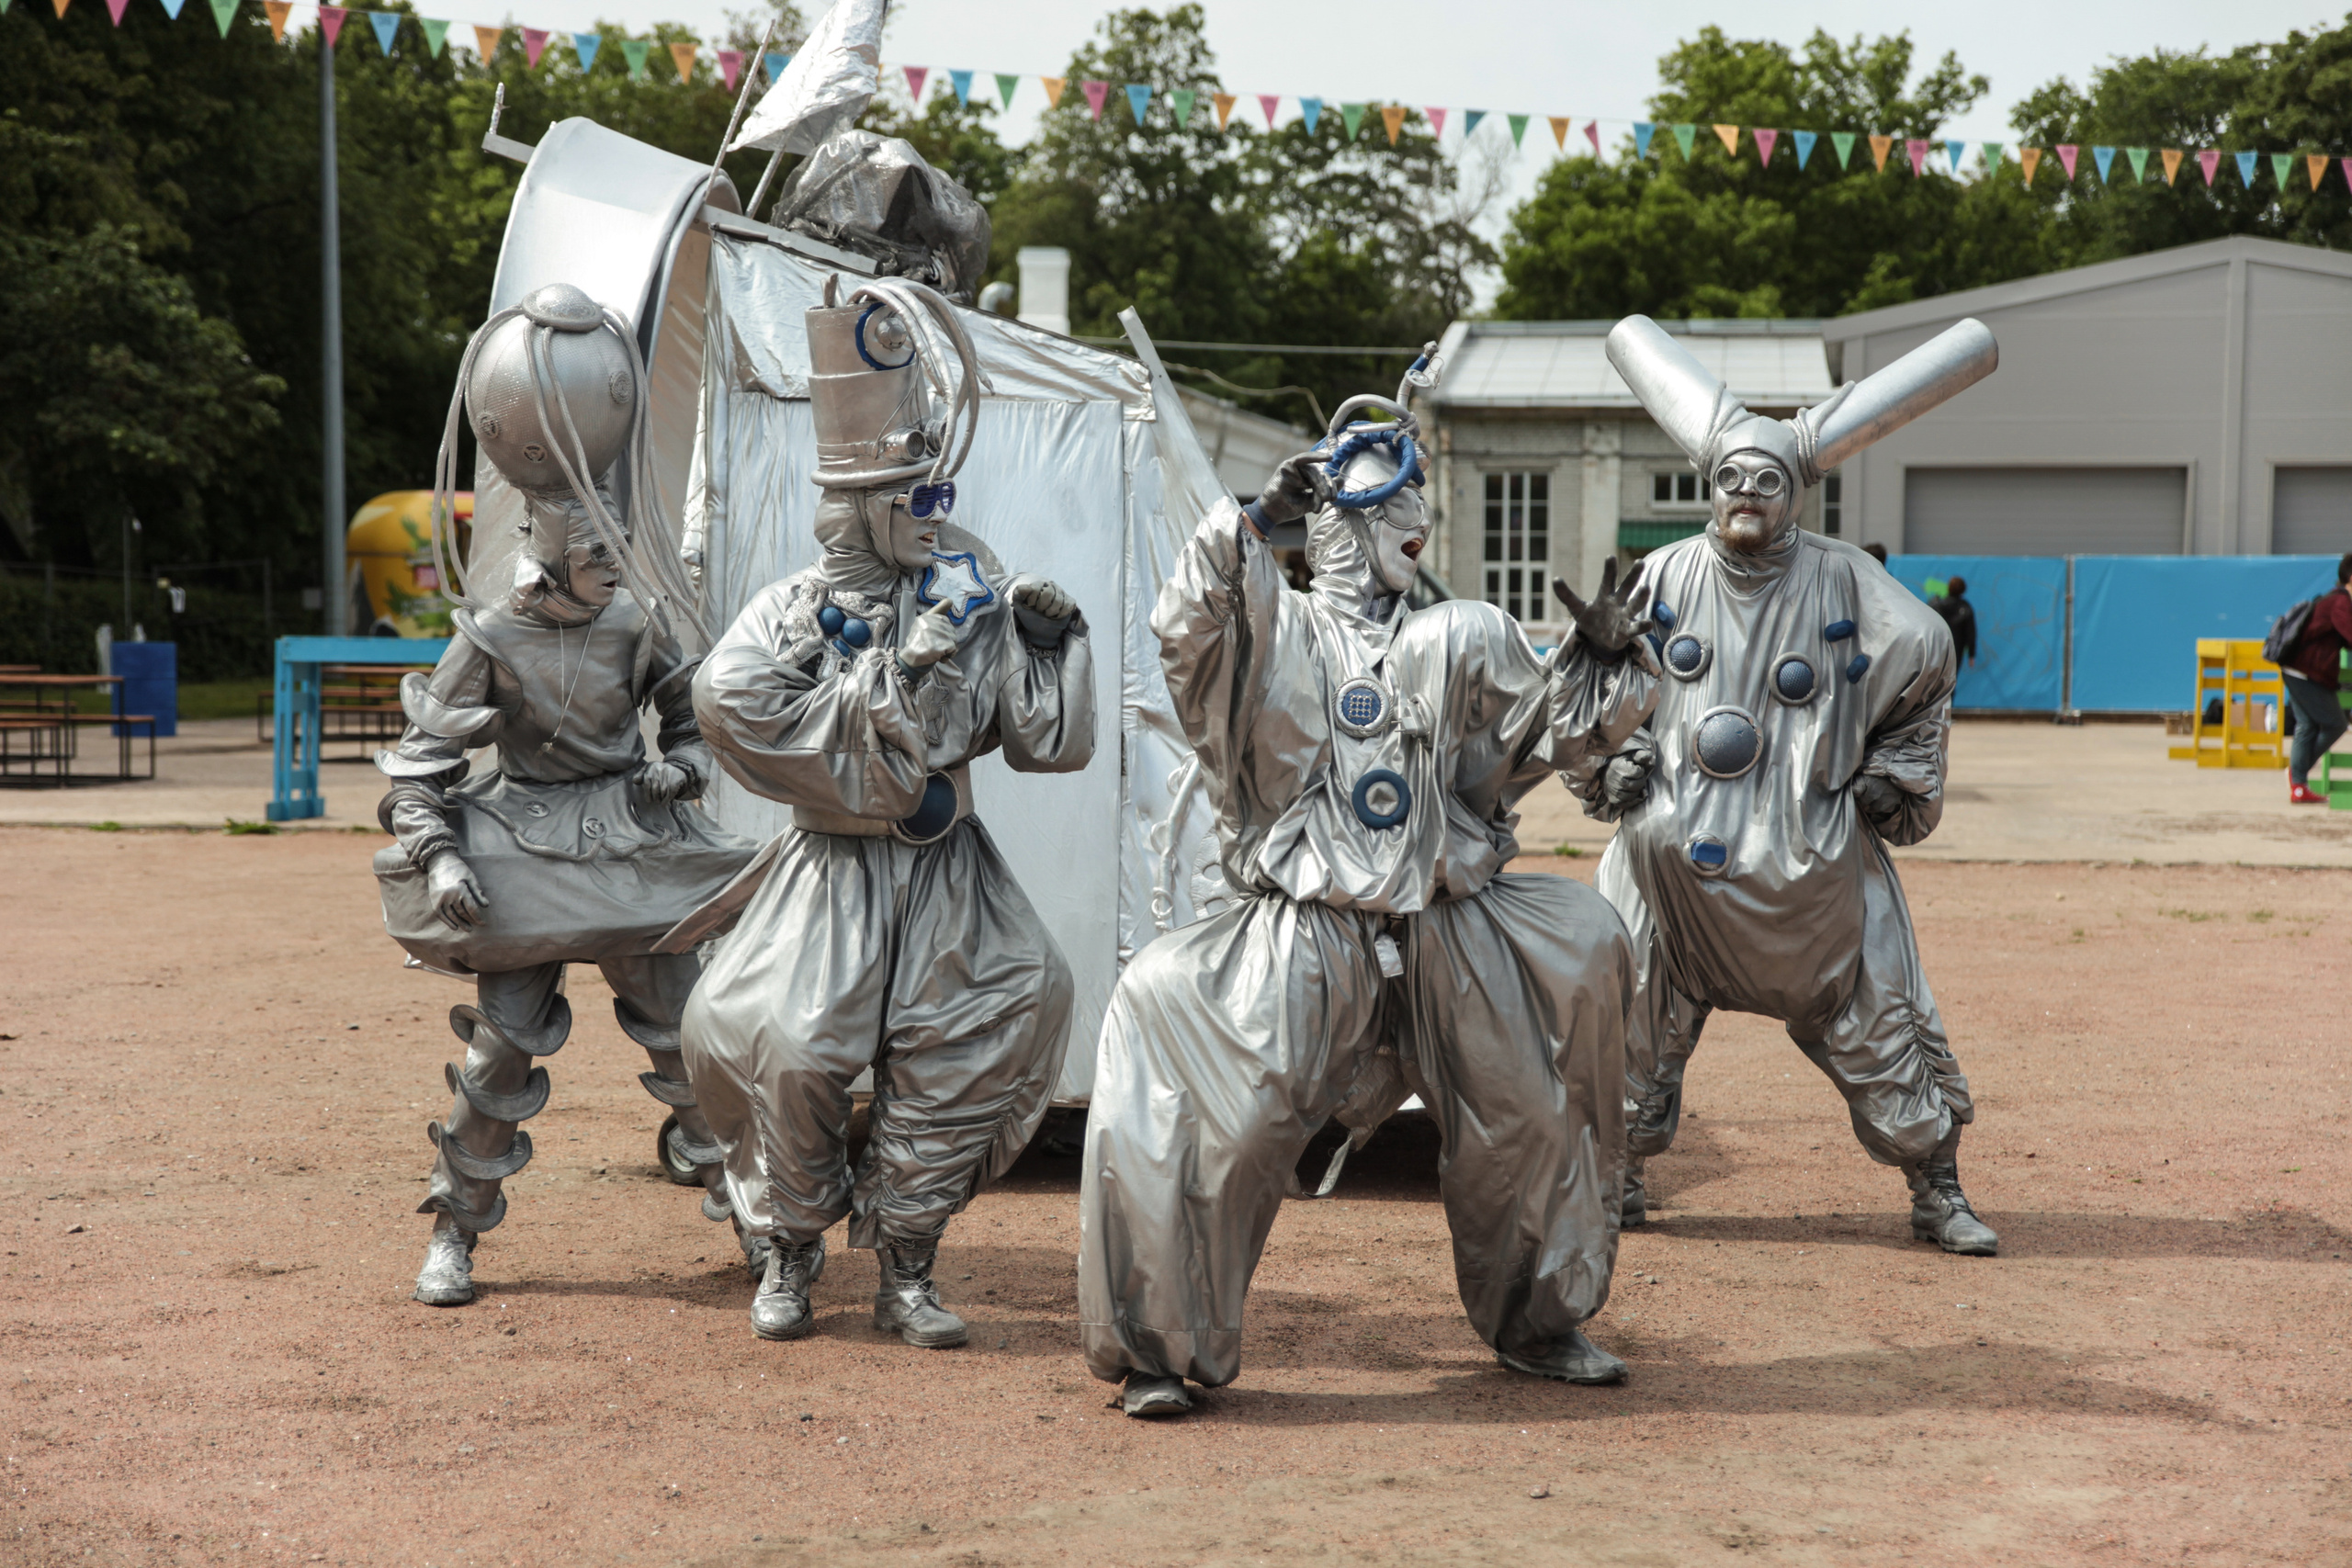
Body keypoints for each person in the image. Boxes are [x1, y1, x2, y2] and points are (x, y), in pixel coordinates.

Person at [1079, 364, 1657, 1419]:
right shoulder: (1275, 632)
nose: (1413, 526)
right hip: (1303, 927)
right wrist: (1256, 517)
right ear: (1338, 524)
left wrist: (1604, 669)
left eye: (1418, 512)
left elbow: (1541, 745)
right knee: (1238, 1121)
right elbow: (1185, 634)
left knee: (1525, 1110)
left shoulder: (1462, 635)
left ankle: (1539, 1322)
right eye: (1390, 507)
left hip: (1452, 923)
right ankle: (1165, 1347)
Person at [675, 277, 1095, 1348]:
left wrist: (1042, 646)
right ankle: (789, 1248)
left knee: (998, 1011)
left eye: (940, 492)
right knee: (797, 1046)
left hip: (952, 870)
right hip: (833, 875)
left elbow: (1043, 742)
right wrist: (895, 670)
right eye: (915, 497)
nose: (937, 513)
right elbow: (735, 711)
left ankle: (908, 1259)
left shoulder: (972, 586)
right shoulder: (787, 614)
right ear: (864, 506)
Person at [1583, 314, 2004, 1258]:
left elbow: (1926, 656)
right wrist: (1606, 759)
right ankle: (1615, 1173)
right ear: (1709, 483)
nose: (1745, 493)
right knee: (1623, 1014)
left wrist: (1891, 776)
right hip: (1664, 868)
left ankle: (1935, 1185)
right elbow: (1594, 685)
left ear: (1797, 493)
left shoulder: (1846, 583)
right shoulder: (1659, 576)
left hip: (1807, 873)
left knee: (1878, 1013)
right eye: (1730, 476)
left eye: (1766, 479)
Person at [375, 283, 760, 1307]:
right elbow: (420, 765)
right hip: (522, 855)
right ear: (545, 554)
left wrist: (679, 763)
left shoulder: (634, 626)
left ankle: (767, 1232)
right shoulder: (489, 638)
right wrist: (445, 855)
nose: (611, 566)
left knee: (690, 1037)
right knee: (500, 1050)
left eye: (613, 547)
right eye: (592, 551)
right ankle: (452, 1231)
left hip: (631, 841)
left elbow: (691, 716)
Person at [2282, 553, 2352, 804]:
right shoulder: (2341, 602)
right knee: (2335, 723)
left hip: (2294, 668)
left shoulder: (2335, 599)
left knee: (2308, 726)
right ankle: (2297, 775)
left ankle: (2298, 786)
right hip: (2307, 672)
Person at [1933, 575, 1978, 669]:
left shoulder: (1938, 605)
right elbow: (1971, 632)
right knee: (1950, 677)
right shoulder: (1965, 607)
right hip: (1956, 648)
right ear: (1963, 589)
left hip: (1938, 647)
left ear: (1949, 587)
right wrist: (1971, 654)